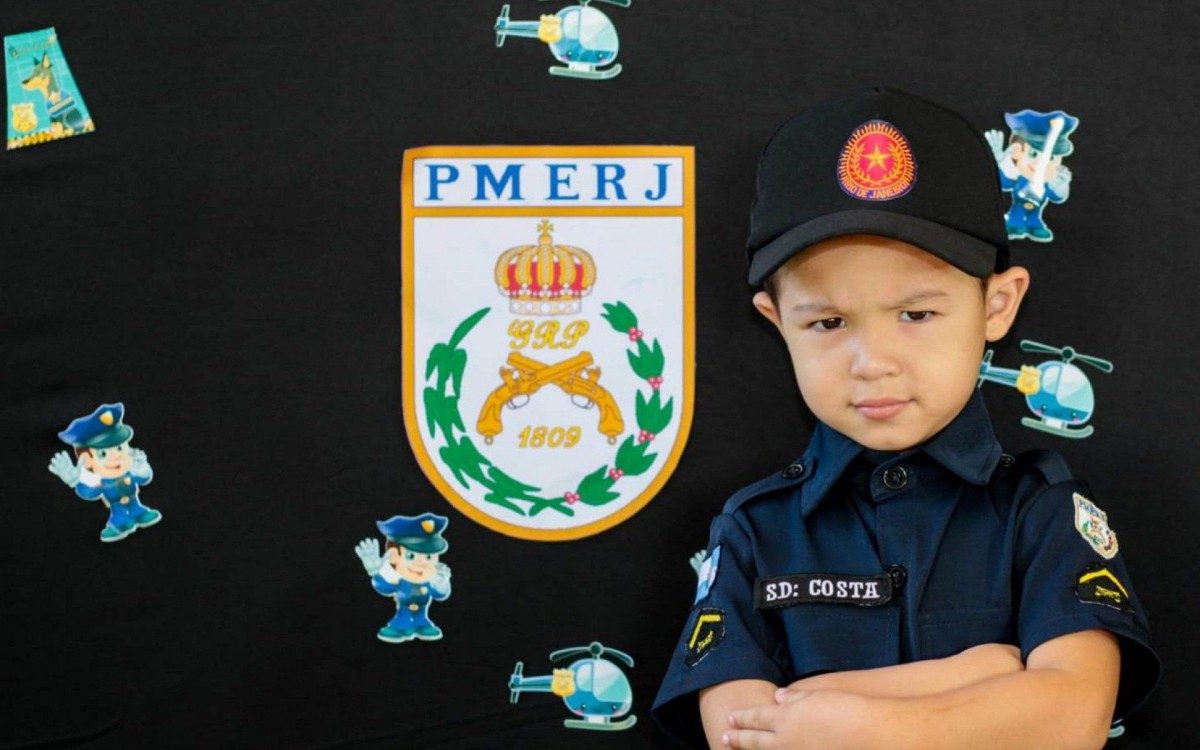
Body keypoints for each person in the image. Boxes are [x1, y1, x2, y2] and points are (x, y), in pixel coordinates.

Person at [650, 87, 1160, 750]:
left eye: (917, 315)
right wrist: (984, 673)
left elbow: (1073, 716)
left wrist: (859, 724)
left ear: (997, 308)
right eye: (828, 322)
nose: (872, 362)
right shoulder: (755, 529)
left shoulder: (1042, 514)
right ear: (778, 321)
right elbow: (739, 734)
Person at [48, 402, 162, 542]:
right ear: (87, 460)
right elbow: (90, 493)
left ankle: (139, 513)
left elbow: (144, 478)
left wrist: (142, 467)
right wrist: (75, 481)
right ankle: (119, 523)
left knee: (136, 507)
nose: (116, 457)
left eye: (120, 448)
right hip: (116, 508)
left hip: (134, 501)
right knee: (119, 516)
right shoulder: (99, 481)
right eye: (102, 453)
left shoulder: (130, 470)